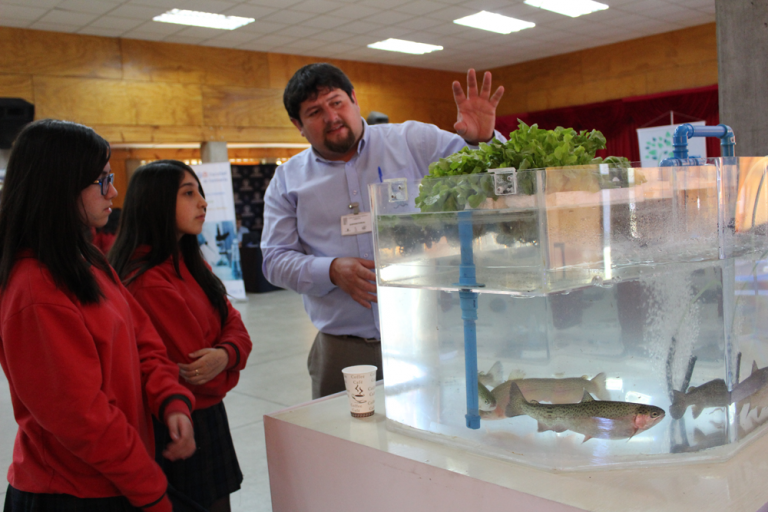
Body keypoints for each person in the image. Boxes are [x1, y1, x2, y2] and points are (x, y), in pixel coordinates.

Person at [261, 63, 504, 398]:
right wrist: (330, 270)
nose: (331, 117)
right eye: (315, 111)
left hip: (427, 335)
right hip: (344, 348)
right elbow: (274, 260)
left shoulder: (413, 141)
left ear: (354, 99)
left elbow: (494, 182)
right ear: (297, 125)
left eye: (336, 102)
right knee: (342, 444)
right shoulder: (287, 180)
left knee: (433, 438)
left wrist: (483, 141)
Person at [0, 119, 196, 512]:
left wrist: (169, 397)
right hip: (71, 493)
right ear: (60, 186)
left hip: (116, 477)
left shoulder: (84, 260)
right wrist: (151, 489)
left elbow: (142, 337)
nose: (115, 191)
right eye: (103, 180)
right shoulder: (36, 290)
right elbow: (82, 419)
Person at [110, 160, 253, 512]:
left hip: (204, 415)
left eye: (200, 192)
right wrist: (226, 355)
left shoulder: (187, 260)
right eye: (189, 193)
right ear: (156, 202)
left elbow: (234, 323)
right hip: (180, 421)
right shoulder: (147, 279)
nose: (203, 202)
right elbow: (201, 376)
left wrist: (225, 354)